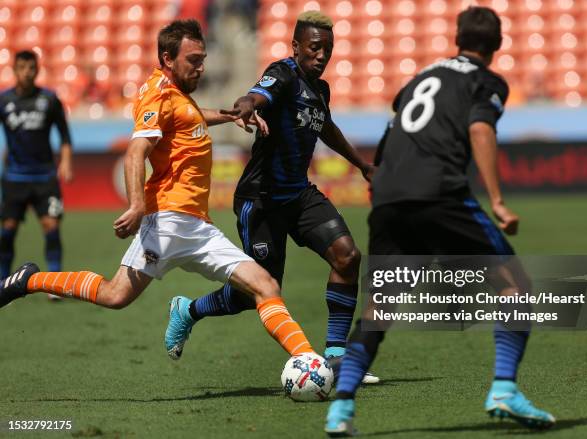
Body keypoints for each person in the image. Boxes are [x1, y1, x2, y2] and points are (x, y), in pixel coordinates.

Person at [0, 19, 318, 360]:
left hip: (197, 227)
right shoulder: (158, 94)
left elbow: (190, 117)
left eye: (203, 58)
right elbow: (136, 152)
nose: (201, 67)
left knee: (266, 286)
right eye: (193, 59)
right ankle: (29, 281)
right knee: (114, 296)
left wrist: (229, 116)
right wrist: (137, 205)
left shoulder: (178, 96)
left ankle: (308, 361)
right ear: (168, 59)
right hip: (164, 221)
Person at [324, 7, 555, 436]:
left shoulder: (418, 79)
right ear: (498, 44)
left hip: (391, 196)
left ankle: (340, 410)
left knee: (379, 309)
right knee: (516, 286)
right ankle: (504, 389)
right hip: (439, 194)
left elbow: (393, 133)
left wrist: (383, 187)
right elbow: (481, 130)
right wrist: (499, 201)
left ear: (456, 39)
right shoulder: (485, 81)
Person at [163, 11, 379, 383]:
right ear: (296, 47)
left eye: (328, 49)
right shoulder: (282, 74)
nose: (322, 55)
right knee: (257, 293)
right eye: (314, 48)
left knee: (347, 255)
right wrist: (246, 106)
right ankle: (188, 310)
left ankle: (337, 358)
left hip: (298, 195)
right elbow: (257, 95)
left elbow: (325, 127)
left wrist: (362, 164)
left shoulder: (319, 89)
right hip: (260, 201)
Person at [0, 50, 73, 300]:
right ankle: (3, 281)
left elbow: (64, 135)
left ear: (37, 70)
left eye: (31, 68)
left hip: (45, 177)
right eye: (22, 68)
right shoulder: (4, 100)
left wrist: (66, 162)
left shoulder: (50, 99)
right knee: (7, 230)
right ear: (14, 70)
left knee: (51, 227)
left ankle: (54, 284)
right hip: (15, 178)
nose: (27, 73)